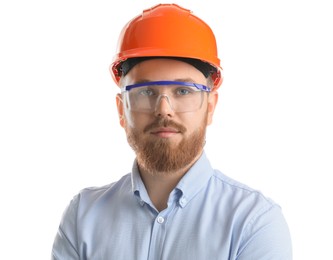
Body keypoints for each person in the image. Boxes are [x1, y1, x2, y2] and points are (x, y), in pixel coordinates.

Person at [52, 3, 292, 259]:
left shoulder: (253, 224)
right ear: (122, 109)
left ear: (210, 106)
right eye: (146, 92)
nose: (164, 109)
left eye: (183, 91)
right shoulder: (83, 217)